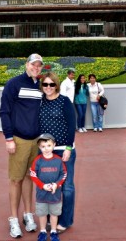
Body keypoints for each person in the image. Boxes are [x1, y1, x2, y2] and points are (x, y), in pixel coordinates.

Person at [0, 53, 44, 239]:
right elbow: (4, 111)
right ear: (26, 65)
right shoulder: (14, 84)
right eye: (33, 64)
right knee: (16, 179)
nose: (36, 68)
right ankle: (14, 219)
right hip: (18, 139)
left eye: (39, 65)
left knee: (29, 178)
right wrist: (9, 138)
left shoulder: (42, 85)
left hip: (36, 140)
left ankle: (27, 214)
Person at [39, 72, 76, 234]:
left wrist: (68, 148)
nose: (48, 87)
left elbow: (71, 124)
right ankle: (49, 218)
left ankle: (65, 220)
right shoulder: (40, 102)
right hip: (46, 152)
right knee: (47, 186)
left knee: (66, 187)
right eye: (45, 84)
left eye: (51, 84)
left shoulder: (64, 101)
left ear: (56, 85)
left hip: (63, 150)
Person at [30, 133, 67, 241]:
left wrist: (57, 184)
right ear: (39, 147)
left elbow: (63, 174)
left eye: (49, 146)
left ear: (54, 145)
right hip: (41, 195)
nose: (46, 149)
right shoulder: (38, 160)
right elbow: (33, 174)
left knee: (54, 214)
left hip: (55, 195)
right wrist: (42, 185)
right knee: (42, 214)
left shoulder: (58, 160)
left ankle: (54, 232)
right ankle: (42, 232)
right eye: (43, 146)